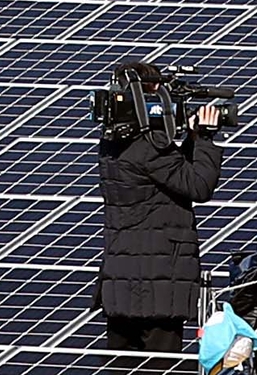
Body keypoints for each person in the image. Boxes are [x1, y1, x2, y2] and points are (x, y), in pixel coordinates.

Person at [95, 67, 225, 356]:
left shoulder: (111, 144)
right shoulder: (150, 148)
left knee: (122, 364)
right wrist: (204, 139)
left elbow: (173, 175)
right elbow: (198, 185)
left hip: (121, 281)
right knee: (161, 365)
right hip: (159, 285)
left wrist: (189, 139)